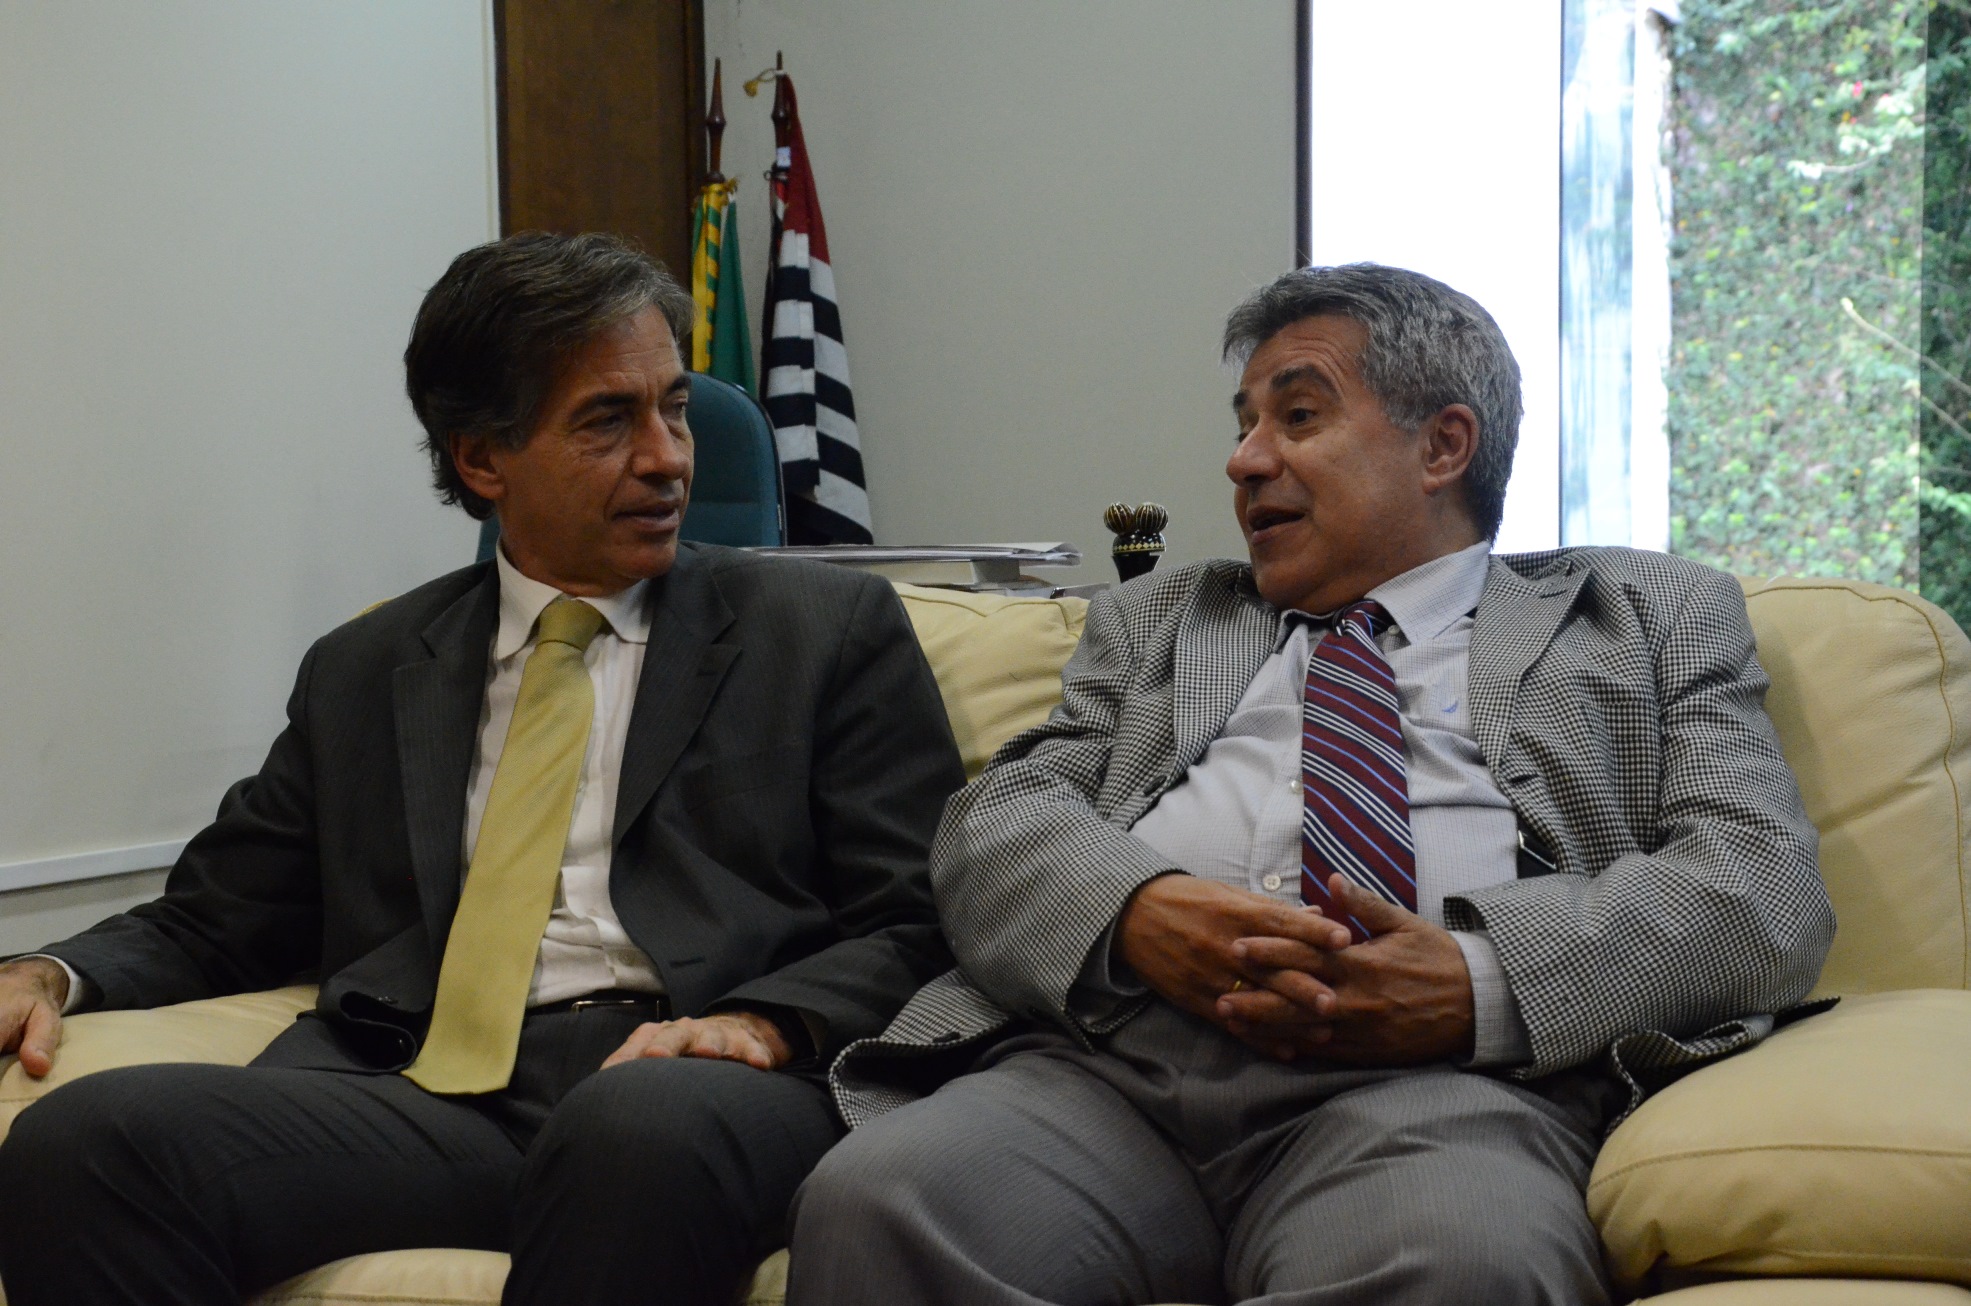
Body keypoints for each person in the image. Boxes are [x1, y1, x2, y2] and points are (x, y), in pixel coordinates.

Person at [789, 263, 1834, 1306]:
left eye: (1296, 416)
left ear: (1443, 447)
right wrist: (1135, 912)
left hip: (1432, 1094)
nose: (1244, 460)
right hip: (1109, 1071)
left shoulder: (1649, 613)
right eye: (1244, 424)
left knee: (1464, 1262)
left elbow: (1761, 884)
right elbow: (996, 823)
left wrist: (1477, 984)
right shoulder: (1162, 619)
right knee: (885, 1197)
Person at [0, 231, 965, 1306]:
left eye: (675, 408)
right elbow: (218, 914)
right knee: (82, 1143)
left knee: (634, 1130)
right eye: (608, 420)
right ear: (481, 459)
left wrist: (764, 1022)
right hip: (426, 1087)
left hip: (701, 1077)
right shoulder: (367, 667)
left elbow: (925, 915)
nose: (668, 459)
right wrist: (45, 972)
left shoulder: (823, 631)